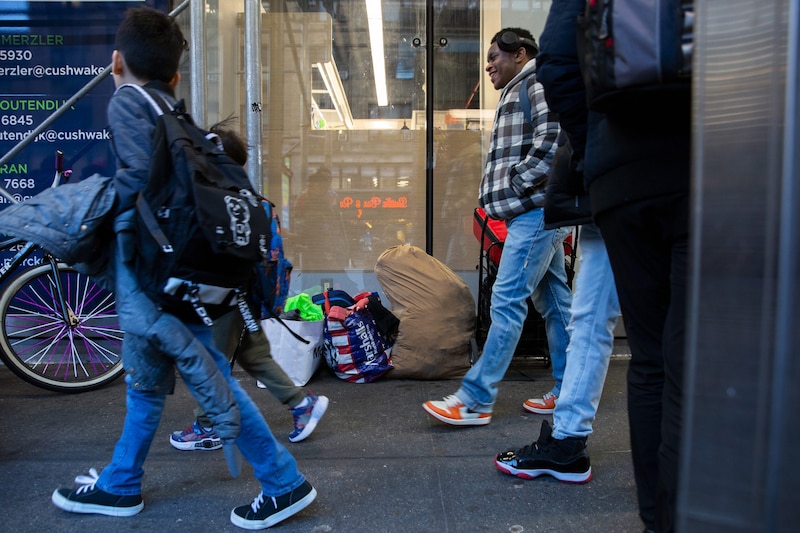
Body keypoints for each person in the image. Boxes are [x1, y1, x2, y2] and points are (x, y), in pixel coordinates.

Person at [50, 8, 317, 529]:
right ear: (175, 74)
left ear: (115, 62)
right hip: (179, 272)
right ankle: (121, 484)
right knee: (147, 384)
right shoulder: (177, 111)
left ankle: (284, 483)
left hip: (149, 277)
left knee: (213, 381)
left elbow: (136, 181)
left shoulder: (128, 101)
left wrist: (88, 212)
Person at [510, 2, 689, 531]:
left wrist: (597, 155)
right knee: (705, 352)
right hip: (720, 161)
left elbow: (560, 60)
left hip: (624, 174)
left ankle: (657, 517)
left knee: (648, 356)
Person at [423, 27, 571, 426]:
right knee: (555, 302)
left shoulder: (537, 82)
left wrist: (514, 182)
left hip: (535, 211)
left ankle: (475, 399)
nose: (488, 65)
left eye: (495, 57)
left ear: (520, 54)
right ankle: (569, 391)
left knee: (506, 301)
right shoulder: (519, 88)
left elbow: (554, 141)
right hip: (533, 211)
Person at [170, 121, 329, 449]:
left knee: (210, 361)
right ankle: (302, 404)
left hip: (220, 299)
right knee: (255, 356)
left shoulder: (216, 201)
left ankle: (207, 424)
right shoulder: (253, 201)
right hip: (247, 296)